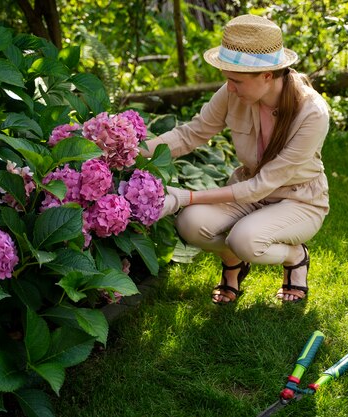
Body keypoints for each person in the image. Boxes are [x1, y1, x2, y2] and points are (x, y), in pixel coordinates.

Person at [141, 14, 330, 304]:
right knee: (191, 225)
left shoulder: (312, 113)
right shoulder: (234, 93)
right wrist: (132, 150)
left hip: (298, 199)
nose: (229, 87)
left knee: (245, 239)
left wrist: (184, 196)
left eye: (236, 80)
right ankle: (233, 261)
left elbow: (263, 184)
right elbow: (191, 134)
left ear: (267, 76)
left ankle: (295, 256)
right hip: (248, 191)